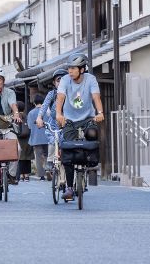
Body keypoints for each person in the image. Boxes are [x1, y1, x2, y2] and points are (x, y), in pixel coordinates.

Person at [55, 54, 104, 201]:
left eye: (73, 68)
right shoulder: (65, 80)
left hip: (88, 118)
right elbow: (61, 97)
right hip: (69, 119)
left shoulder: (91, 79)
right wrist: (59, 114)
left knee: (93, 133)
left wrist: (100, 112)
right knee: (68, 151)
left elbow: (96, 97)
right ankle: (69, 187)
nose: (70, 71)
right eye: (69, 68)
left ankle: (90, 164)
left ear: (82, 69)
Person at [36, 68, 68, 179]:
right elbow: (44, 106)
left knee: (69, 144)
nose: (61, 82)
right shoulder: (52, 94)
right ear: (54, 83)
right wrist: (39, 118)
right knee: (52, 140)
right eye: (58, 80)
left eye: (64, 80)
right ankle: (50, 160)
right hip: (54, 123)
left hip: (69, 123)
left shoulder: (72, 92)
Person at [27, 94, 49, 181]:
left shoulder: (31, 113)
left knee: (38, 157)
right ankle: (49, 170)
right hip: (47, 136)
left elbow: (29, 126)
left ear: (34, 103)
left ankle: (41, 175)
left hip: (36, 137)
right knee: (48, 155)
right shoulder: (47, 112)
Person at [16, 101, 33, 181]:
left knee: (20, 157)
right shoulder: (27, 115)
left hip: (19, 139)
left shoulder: (16, 116)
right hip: (28, 139)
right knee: (27, 158)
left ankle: (21, 175)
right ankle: (26, 175)